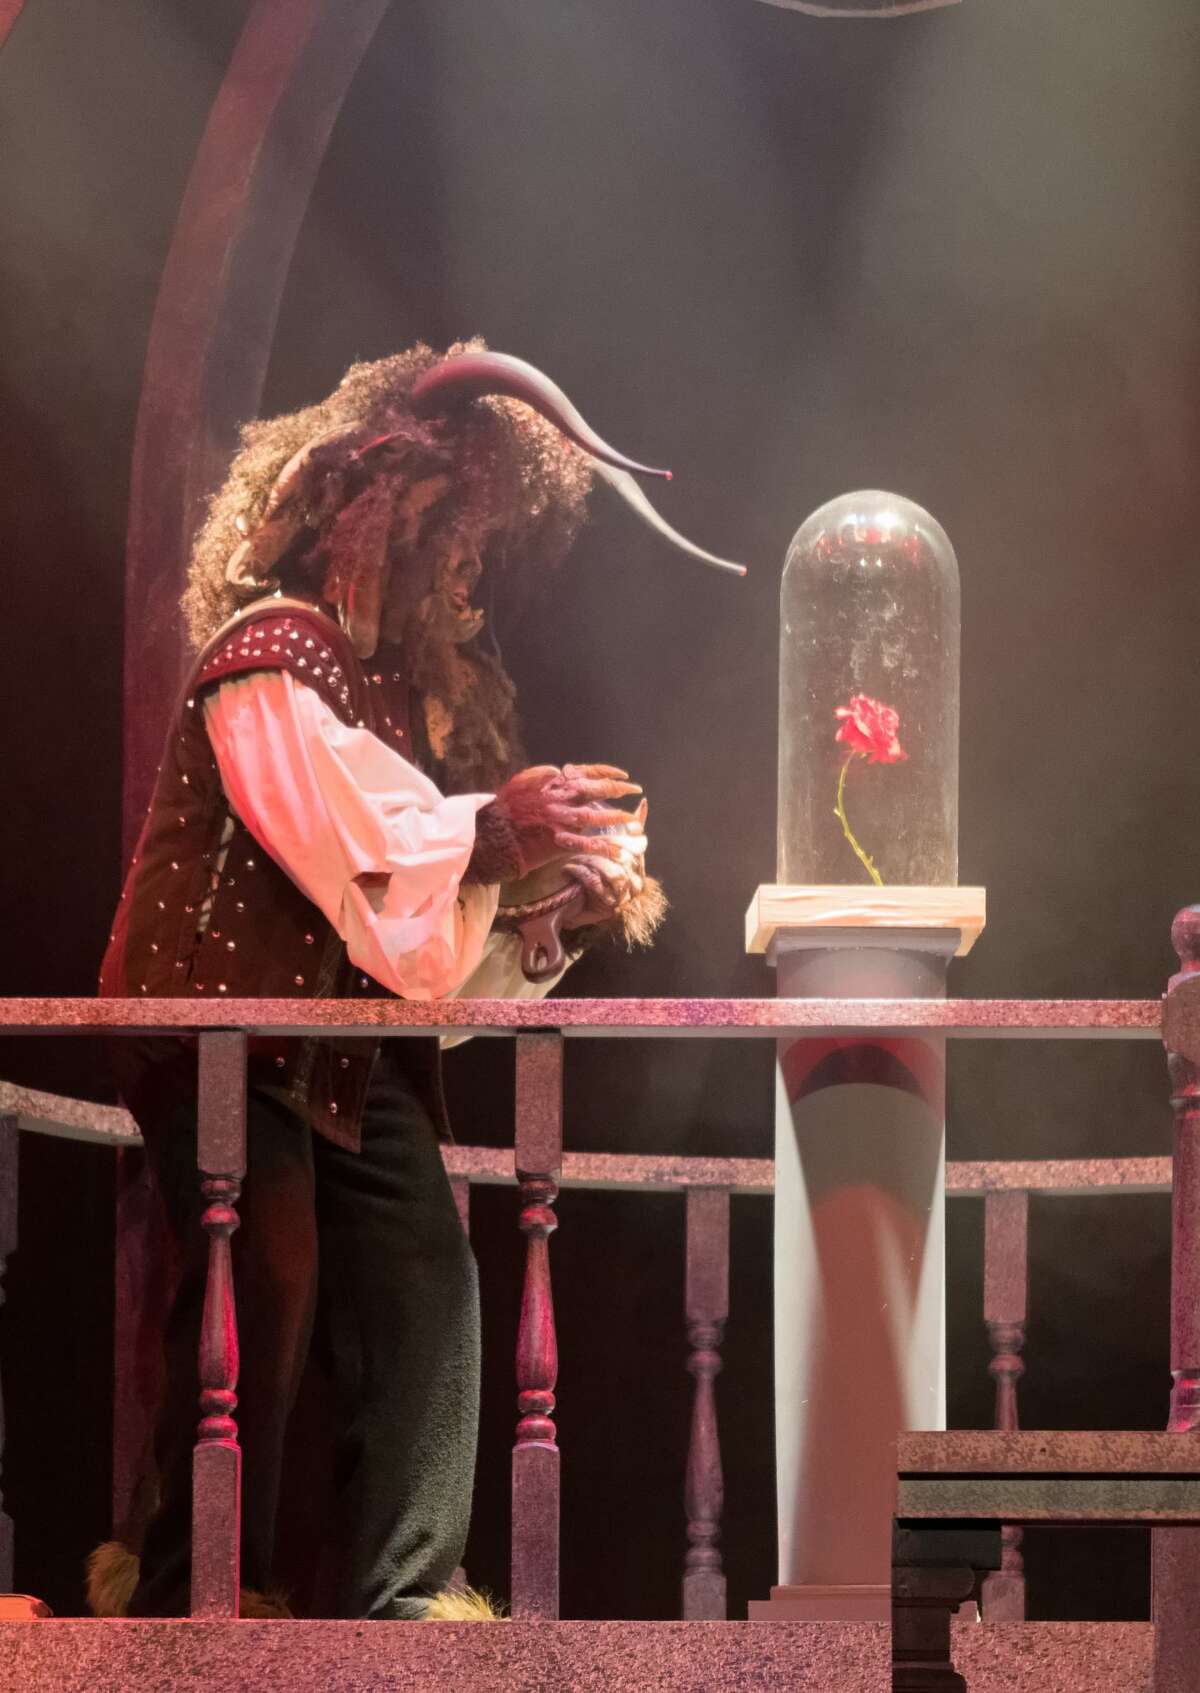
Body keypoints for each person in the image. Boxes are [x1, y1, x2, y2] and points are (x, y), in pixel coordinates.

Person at [94, 342, 737, 1619]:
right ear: (372, 520)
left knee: (429, 1284)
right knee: (266, 1275)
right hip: (225, 1029)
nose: (462, 573)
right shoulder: (273, 649)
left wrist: (548, 911)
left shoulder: (392, 705)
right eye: (450, 538)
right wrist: (497, 830)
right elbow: (351, 845)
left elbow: (417, 959)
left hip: (342, 1042)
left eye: (473, 547)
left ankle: (402, 1599)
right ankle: (189, 1596)